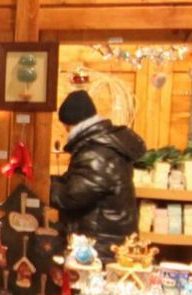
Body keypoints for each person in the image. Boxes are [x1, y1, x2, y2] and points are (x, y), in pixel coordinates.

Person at [50, 90, 146, 248]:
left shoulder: (97, 152)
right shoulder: (103, 145)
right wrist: (50, 180)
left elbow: (73, 195)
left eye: (66, 127)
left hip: (102, 243)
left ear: (71, 124)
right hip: (109, 238)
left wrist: (42, 187)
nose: (66, 132)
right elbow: (77, 180)